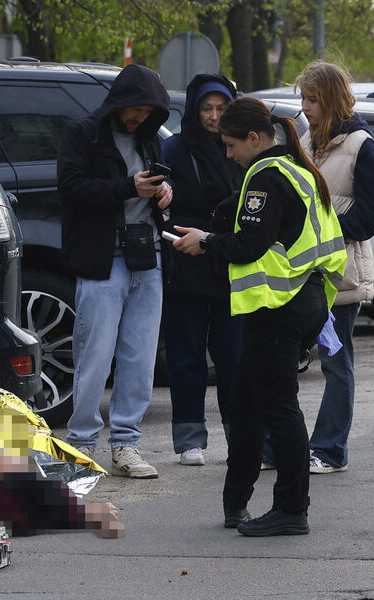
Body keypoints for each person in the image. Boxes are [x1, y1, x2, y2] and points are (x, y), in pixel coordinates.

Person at [173, 97, 347, 536]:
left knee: (277, 408)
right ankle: (236, 504)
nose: (228, 154)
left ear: (254, 138)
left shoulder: (266, 177)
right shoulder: (297, 169)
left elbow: (250, 245)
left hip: (280, 307)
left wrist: (206, 241)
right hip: (301, 303)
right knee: (247, 406)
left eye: (231, 145)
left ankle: (291, 509)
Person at [57, 64, 173, 479]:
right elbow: (71, 188)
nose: (141, 117)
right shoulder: (83, 133)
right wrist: (128, 187)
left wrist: (165, 191)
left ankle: (126, 444)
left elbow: (157, 184)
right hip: (102, 259)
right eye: (136, 109)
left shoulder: (149, 138)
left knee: (140, 358)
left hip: (148, 256)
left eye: (148, 112)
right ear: (119, 102)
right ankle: (81, 444)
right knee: (95, 355)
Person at [296, 61, 374, 474]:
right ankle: (276, 448)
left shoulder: (362, 145)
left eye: (313, 99)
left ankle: (330, 451)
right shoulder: (303, 140)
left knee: (335, 362)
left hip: (340, 275)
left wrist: (323, 235)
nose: (305, 107)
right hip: (298, 272)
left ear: (333, 99)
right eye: (303, 98)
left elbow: (370, 215)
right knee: (282, 358)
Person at [159, 73, 245, 467]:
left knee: (233, 356)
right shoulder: (174, 147)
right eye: (206, 108)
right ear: (193, 110)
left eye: (222, 108)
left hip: (231, 261)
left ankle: (240, 436)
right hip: (185, 261)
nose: (213, 116)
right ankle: (189, 439)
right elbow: (160, 195)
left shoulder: (241, 148)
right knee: (186, 355)